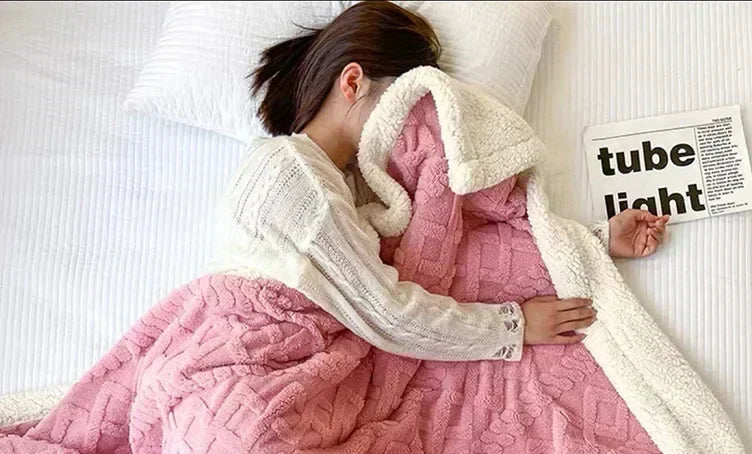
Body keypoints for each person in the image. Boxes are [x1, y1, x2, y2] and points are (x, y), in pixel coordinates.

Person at [214, 0, 668, 362]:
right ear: (353, 82)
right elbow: (389, 312)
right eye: (402, 104)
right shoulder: (291, 172)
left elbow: (457, 264)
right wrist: (514, 328)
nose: (412, 125)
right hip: (249, 360)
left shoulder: (352, 191)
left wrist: (596, 240)